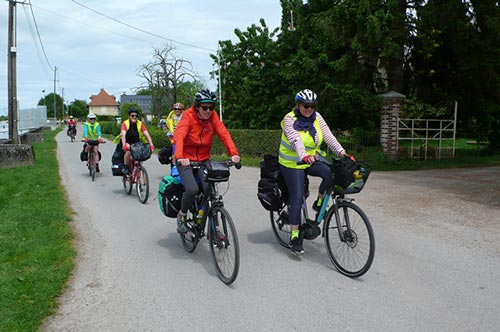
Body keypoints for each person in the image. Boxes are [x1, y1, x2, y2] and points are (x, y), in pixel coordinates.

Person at [278, 89, 352, 255]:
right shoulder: (290, 119)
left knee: (330, 173)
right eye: (306, 105)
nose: (309, 109)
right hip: (292, 162)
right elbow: (295, 140)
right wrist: (303, 155)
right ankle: (295, 236)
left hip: (310, 159)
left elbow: (328, 136)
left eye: (312, 106)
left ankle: (319, 203)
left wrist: (342, 152)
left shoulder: (317, 118)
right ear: (298, 105)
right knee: (297, 196)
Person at [173, 89, 240, 234]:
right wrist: (179, 156)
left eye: (211, 107)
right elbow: (180, 136)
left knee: (210, 189)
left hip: (203, 159)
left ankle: (203, 216)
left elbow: (224, 134)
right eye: (204, 107)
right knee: (192, 190)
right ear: (197, 106)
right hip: (185, 159)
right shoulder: (188, 116)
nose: (208, 111)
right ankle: (182, 215)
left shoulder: (213, 117)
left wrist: (234, 154)